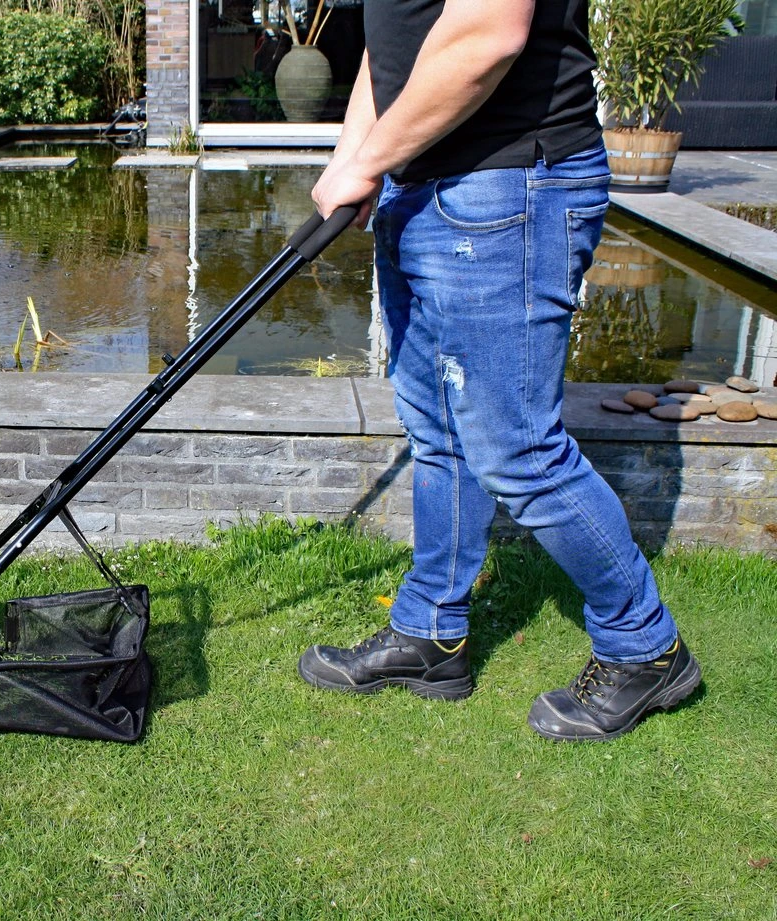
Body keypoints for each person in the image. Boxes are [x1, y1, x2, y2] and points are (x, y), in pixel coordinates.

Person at [296, 0, 702, 740]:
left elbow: (489, 34)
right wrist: (354, 160)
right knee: (439, 433)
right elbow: (390, 43)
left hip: (512, 177)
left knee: (517, 449)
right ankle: (431, 635)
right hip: (417, 180)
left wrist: (367, 160)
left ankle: (646, 647)